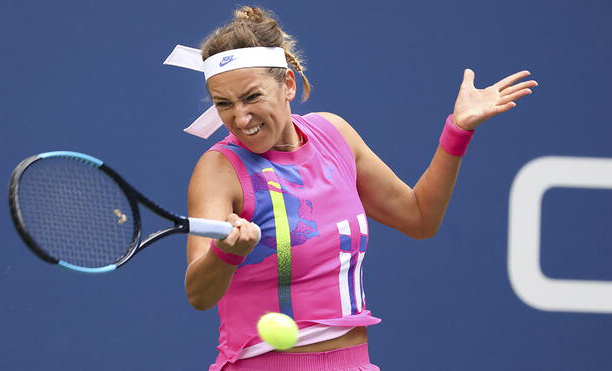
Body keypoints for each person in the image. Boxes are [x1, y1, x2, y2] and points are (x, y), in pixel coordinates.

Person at [178, 6, 537, 370]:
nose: (239, 118)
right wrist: (227, 253)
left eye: (252, 97)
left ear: (287, 84)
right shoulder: (218, 169)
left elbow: (419, 218)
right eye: (224, 104)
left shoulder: (334, 135)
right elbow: (199, 294)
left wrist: (457, 130)